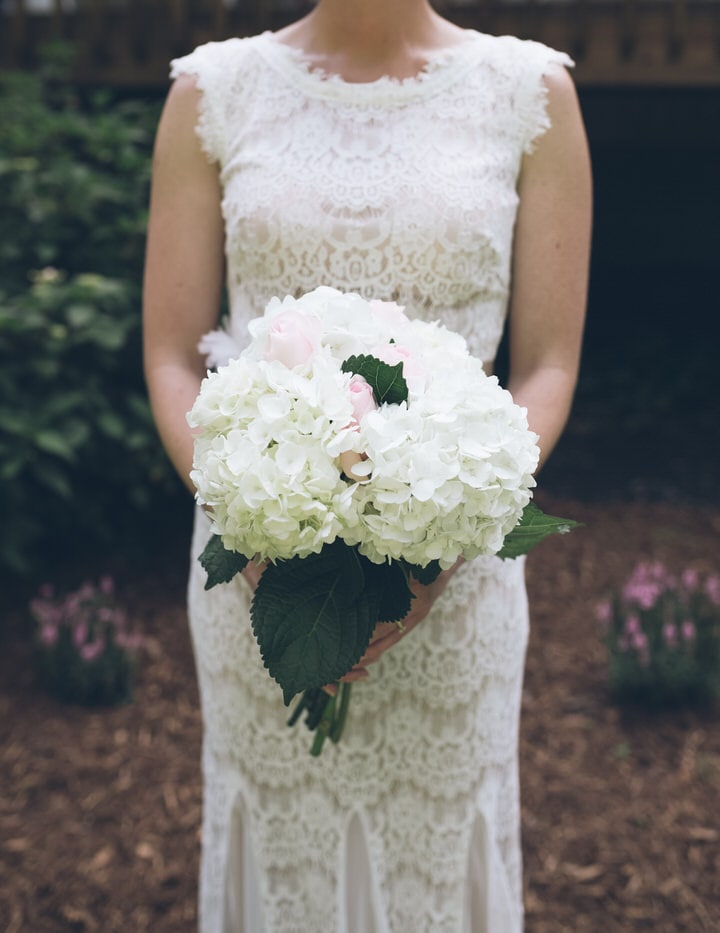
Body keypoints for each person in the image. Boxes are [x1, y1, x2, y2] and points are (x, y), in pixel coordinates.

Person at [142, 0, 591, 929]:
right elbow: (175, 355)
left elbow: (547, 363)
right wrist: (251, 520)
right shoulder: (211, 92)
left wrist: (444, 542)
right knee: (282, 847)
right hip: (253, 561)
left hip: (457, 571)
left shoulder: (529, 93)